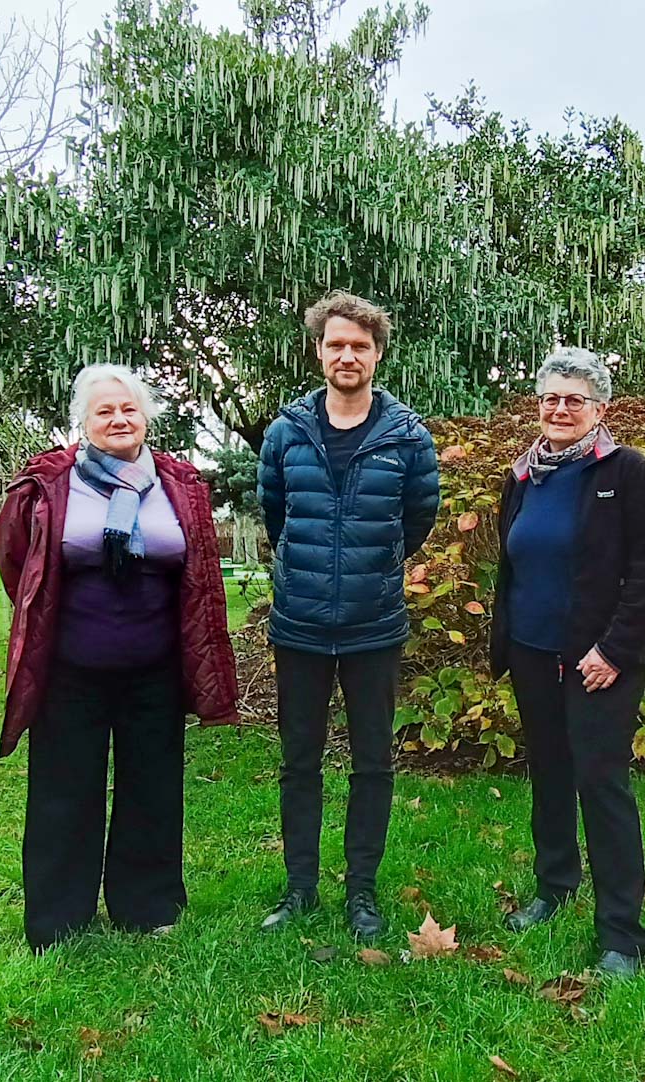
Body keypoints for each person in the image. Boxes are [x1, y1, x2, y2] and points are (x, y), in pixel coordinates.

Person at [0, 364, 239, 951]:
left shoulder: (180, 484)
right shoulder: (47, 483)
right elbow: (15, 560)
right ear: (83, 421)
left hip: (154, 669)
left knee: (153, 788)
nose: (118, 420)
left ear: (146, 418)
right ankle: (58, 920)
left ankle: (147, 905)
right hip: (69, 669)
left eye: (128, 409)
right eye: (104, 411)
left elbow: (197, 568)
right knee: (62, 790)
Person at [256, 291, 440, 942]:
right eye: (336, 344)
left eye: (360, 345)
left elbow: (418, 518)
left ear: (378, 354)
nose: (347, 355)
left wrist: (373, 566)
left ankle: (362, 892)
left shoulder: (408, 437)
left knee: (372, 763)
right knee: (299, 762)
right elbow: (275, 513)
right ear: (318, 351)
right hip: (300, 624)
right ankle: (300, 888)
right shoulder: (286, 433)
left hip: (373, 625)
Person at [489, 348, 645, 977]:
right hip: (534, 655)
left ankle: (621, 932)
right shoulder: (522, 477)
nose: (560, 409)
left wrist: (615, 650)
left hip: (600, 662)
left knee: (602, 784)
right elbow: (514, 566)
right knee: (548, 775)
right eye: (550, 399)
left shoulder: (626, 471)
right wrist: (508, 644)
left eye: (574, 399)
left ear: (599, 408)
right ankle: (555, 885)